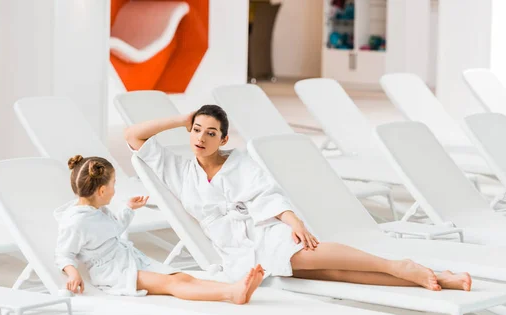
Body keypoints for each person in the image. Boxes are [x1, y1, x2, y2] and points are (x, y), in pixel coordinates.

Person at [125, 104, 472, 292]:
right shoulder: (178, 170)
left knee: (313, 256)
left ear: (224, 139)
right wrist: (181, 118)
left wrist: (294, 222)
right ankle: (439, 277)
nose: (201, 137)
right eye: (197, 130)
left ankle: (398, 265)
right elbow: (132, 136)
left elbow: (267, 194)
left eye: (211, 132)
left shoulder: (240, 162)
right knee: (334, 274)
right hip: (236, 253)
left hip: (264, 233)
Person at [54, 154, 264, 304]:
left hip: (126, 258)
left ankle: (233, 289)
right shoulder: (75, 222)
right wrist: (73, 274)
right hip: (113, 272)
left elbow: (113, 229)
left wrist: (128, 208)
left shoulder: (97, 209)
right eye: (113, 184)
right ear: (101, 190)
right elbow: (64, 254)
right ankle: (230, 294)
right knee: (169, 284)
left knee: (181, 277)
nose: (114, 189)